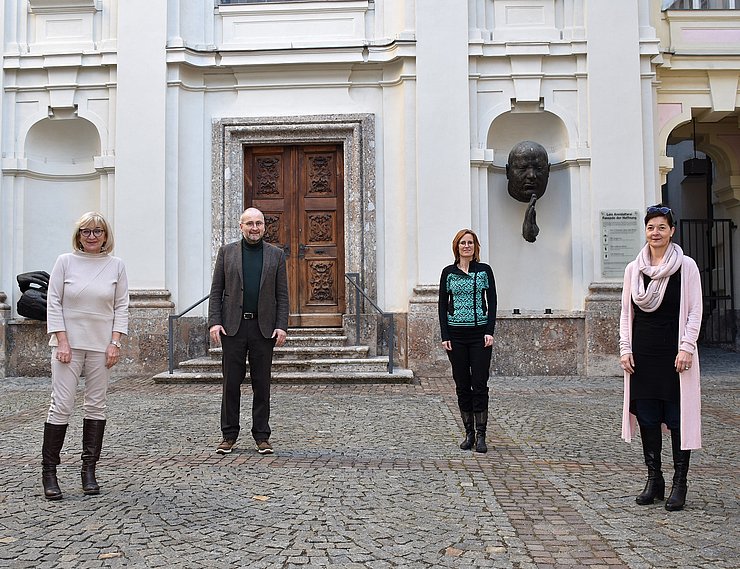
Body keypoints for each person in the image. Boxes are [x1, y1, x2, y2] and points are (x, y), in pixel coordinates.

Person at [619, 204, 703, 512]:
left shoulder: (686, 266)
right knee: (648, 417)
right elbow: (626, 313)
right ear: (646, 231)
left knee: (678, 419)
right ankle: (655, 480)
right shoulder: (634, 269)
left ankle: (680, 483)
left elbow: (695, 310)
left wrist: (687, 347)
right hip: (643, 354)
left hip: (674, 355)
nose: (656, 233)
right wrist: (625, 349)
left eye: (662, 227)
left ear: (672, 231)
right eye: (651, 227)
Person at [42, 212, 129, 500]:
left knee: (96, 405)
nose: (91, 236)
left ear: (106, 235)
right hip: (68, 345)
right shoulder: (64, 262)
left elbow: (121, 306)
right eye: (85, 231)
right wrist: (62, 340)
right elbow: (53, 301)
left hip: (101, 346)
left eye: (97, 231)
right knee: (62, 405)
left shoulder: (116, 266)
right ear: (78, 235)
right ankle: (50, 472)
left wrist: (115, 342)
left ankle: (88, 471)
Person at [208, 207, 288, 455]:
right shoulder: (227, 252)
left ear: (265, 226)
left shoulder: (276, 255)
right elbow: (216, 290)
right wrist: (214, 322)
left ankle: (262, 436)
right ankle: (228, 435)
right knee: (230, 383)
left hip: (263, 329)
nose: (255, 228)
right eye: (250, 223)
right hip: (233, 327)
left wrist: (281, 326)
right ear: (240, 226)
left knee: (261, 384)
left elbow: (282, 295)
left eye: (259, 223)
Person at [438, 229, 497, 453]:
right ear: (457, 247)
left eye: (470, 242)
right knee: (463, 386)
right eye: (463, 243)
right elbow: (442, 304)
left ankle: (482, 435)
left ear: (475, 247)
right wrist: (445, 335)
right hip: (456, 337)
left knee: (480, 385)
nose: (466, 246)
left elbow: (492, 301)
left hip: (480, 336)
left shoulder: (484, 271)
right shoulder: (448, 273)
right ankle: (468, 433)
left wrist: (489, 331)